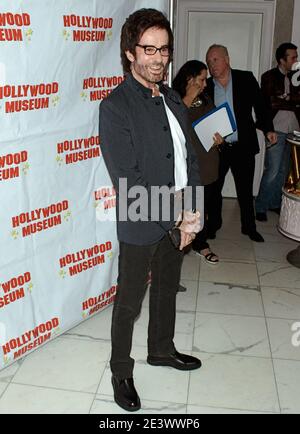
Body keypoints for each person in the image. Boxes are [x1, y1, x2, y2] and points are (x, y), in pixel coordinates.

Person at [99, 8, 202, 412]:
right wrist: (178, 217)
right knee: (129, 301)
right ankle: (121, 370)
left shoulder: (174, 97)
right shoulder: (116, 106)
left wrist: (192, 215)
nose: (159, 58)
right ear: (129, 52)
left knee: (166, 289)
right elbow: (128, 181)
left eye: (165, 49)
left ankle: (161, 349)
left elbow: (189, 161)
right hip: (142, 217)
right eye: (149, 49)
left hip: (180, 216)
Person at [205, 44, 277, 242]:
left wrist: (268, 129)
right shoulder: (207, 86)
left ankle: (249, 227)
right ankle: (213, 225)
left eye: (215, 59)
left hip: (243, 146)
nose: (212, 65)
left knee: (245, 191)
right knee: (214, 190)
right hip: (218, 149)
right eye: (209, 62)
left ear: (227, 59)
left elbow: (260, 106)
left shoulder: (246, 78)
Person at [173, 60, 223, 264]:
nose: (205, 84)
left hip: (210, 159)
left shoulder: (205, 98)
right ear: (189, 78)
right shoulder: (173, 98)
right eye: (202, 79)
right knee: (189, 207)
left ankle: (200, 244)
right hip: (188, 165)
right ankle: (182, 244)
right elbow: (175, 121)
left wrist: (220, 137)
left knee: (205, 207)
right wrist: (189, 96)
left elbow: (214, 121)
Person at [255, 43, 300, 222]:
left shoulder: (297, 77)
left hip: (294, 131)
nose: (296, 60)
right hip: (276, 129)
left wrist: (287, 99)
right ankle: (260, 206)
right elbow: (268, 104)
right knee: (272, 170)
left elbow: (296, 101)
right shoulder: (269, 77)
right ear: (282, 60)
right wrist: (289, 101)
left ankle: (273, 203)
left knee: (283, 171)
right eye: (293, 57)